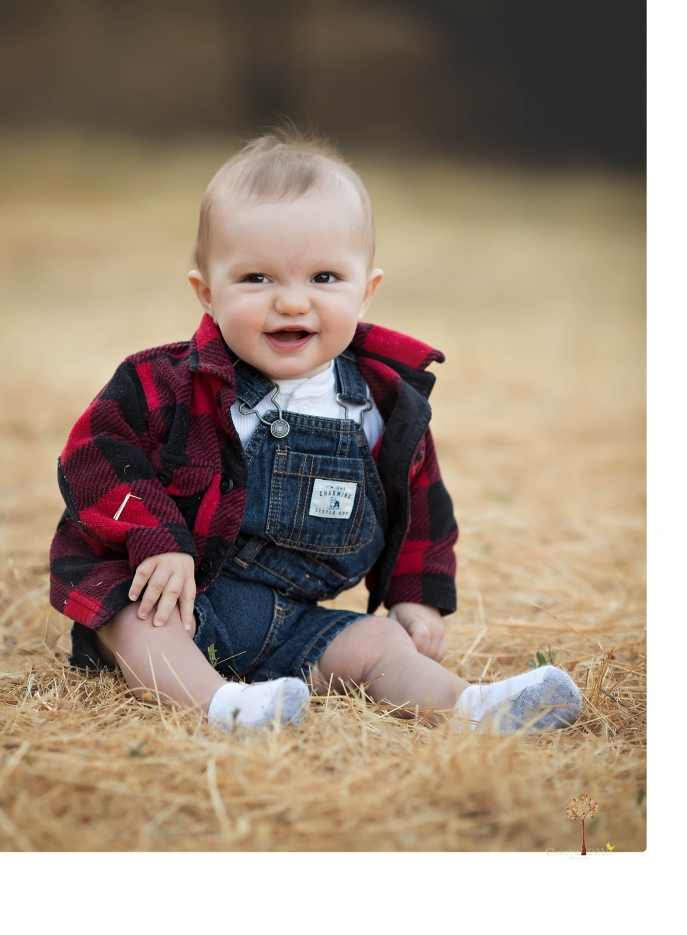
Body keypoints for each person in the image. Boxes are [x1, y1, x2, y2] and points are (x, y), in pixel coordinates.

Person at [49, 130, 582, 734]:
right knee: (136, 621)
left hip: (294, 621)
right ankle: (222, 707)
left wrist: (416, 594)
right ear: (207, 294)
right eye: (257, 279)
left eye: (325, 278)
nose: (293, 303)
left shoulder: (382, 405)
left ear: (366, 292)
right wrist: (157, 537)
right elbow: (93, 457)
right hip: (174, 603)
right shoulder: (165, 382)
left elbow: (423, 507)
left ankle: (472, 706)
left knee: (378, 640)